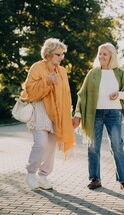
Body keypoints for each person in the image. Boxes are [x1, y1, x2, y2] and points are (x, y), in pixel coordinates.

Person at [73, 42, 124, 191]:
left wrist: (118, 94)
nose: (101, 56)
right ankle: (95, 178)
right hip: (95, 114)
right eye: (100, 53)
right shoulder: (93, 73)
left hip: (114, 113)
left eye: (104, 54)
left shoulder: (119, 73)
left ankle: (123, 180)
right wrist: (77, 114)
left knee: (117, 146)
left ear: (111, 56)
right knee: (93, 147)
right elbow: (82, 95)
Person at [21, 38, 75, 190]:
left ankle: (43, 176)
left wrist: (67, 115)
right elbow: (30, 90)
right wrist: (47, 82)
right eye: (58, 54)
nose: (61, 57)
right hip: (40, 112)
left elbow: (67, 95)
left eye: (63, 54)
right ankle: (31, 173)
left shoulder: (62, 71)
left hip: (56, 114)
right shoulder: (37, 67)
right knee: (41, 143)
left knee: (51, 147)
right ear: (49, 54)